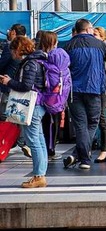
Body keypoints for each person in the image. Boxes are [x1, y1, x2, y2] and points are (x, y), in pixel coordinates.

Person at [63, 19, 106, 170]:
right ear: (88, 29)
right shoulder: (100, 45)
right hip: (94, 90)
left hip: (74, 91)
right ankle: (83, 158)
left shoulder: (68, 46)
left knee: (80, 124)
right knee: (93, 123)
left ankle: (82, 157)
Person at [0, 36, 48, 188]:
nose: (12, 54)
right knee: (39, 140)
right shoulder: (35, 60)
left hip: (32, 106)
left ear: (17, 49)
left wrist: (9, 82)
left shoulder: (29, 63)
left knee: (33, 141)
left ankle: (39, 176)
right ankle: (41, 174)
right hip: (39, 104)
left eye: (12, 50)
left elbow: (26, 86)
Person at [38, 31, 70, 161]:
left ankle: (45, 148)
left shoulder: (39, 57)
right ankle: (51, 148)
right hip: (58, 95)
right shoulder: (60, 56)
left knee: (44, 122)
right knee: (54, 121)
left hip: (42, 94)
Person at [0, 23, 31, 158]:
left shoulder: (11, 47)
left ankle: (7, 143)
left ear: (13, 32)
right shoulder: (30, 46)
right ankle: (22, 142)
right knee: (21, 115)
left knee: (5, 115)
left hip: (9, 85)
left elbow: (2, 65)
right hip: (23, 87)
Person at [92, 27, 106, 163]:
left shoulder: (104, 48)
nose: (92, 37)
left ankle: (104, 149)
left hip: (101, 88)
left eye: (95, 34)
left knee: (102, 118)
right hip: (94, 87)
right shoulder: (93, 48)